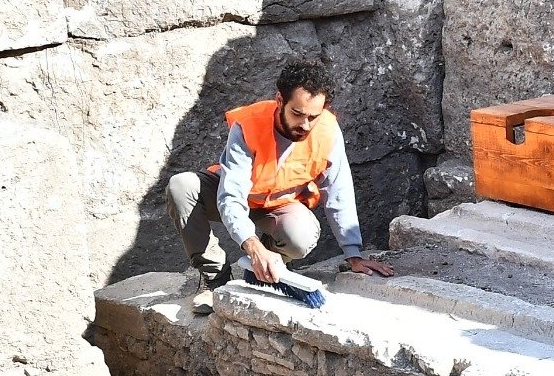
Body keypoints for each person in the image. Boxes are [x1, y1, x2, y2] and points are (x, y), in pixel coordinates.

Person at [165, 58, 392, 313]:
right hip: (233, 197)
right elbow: (231, 196)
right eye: (297, 114)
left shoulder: (327, 130)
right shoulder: (249, 125)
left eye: (313, 117)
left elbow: (339, 191)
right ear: (280, 101)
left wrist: (354, 254)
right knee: (181, 186)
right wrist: (252, 245)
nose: (305, 125)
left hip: (281, 205)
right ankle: (215, 282)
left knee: (301, 235)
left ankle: (267, 270)